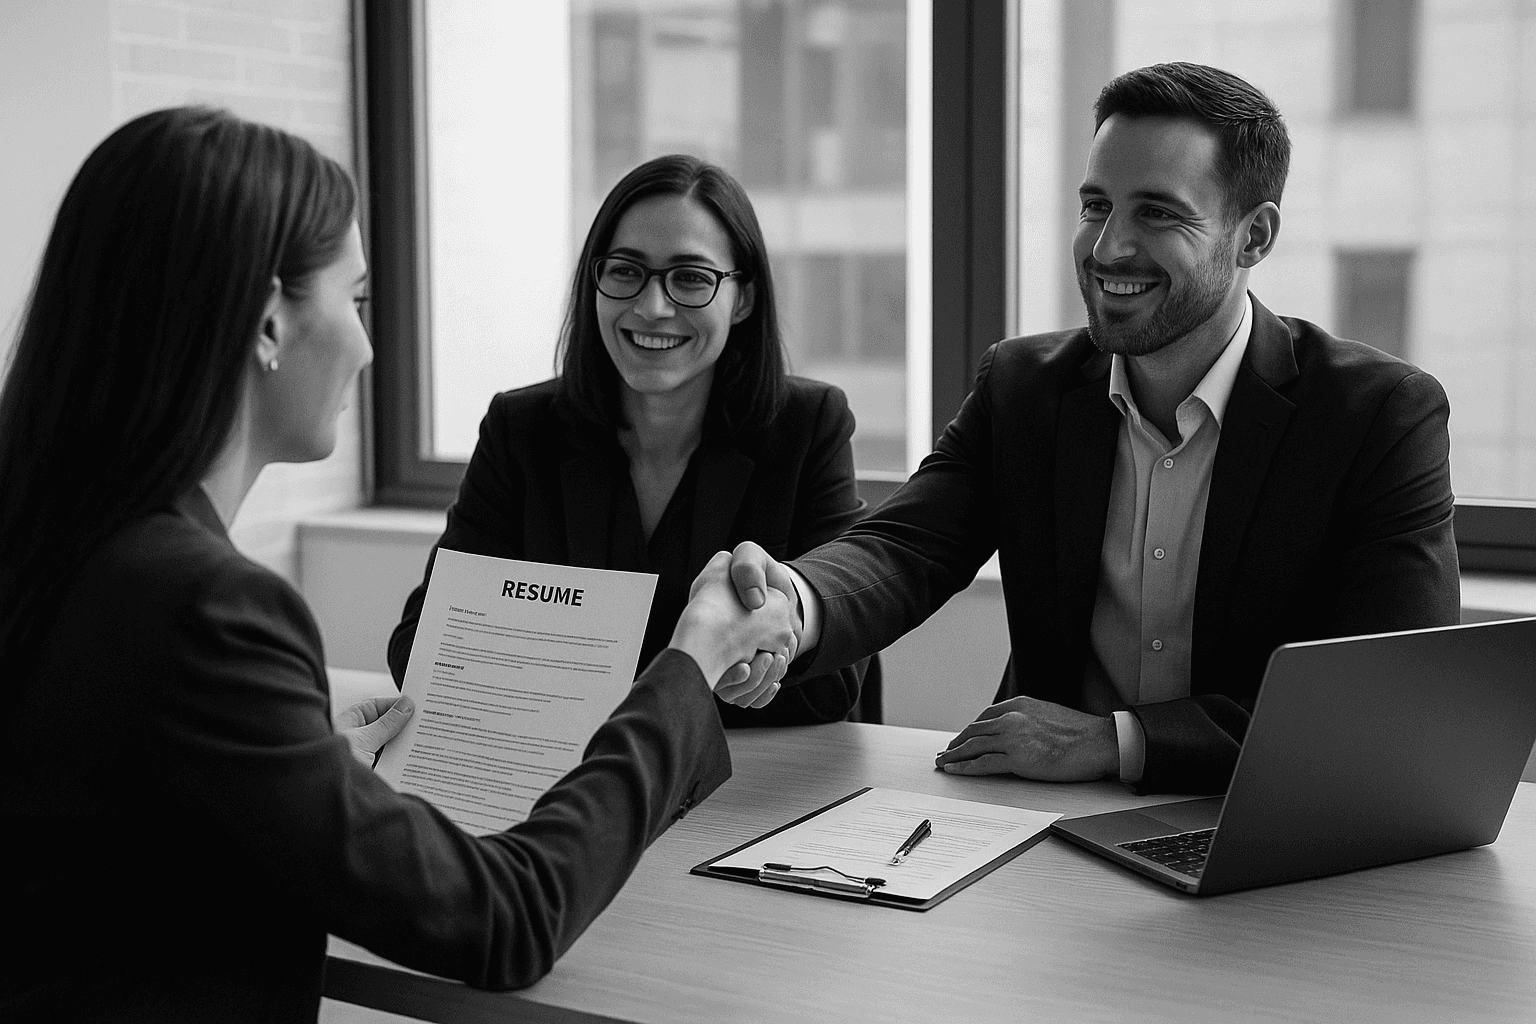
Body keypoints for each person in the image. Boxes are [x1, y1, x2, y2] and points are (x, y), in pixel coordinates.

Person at [0, 107, 797, 1023]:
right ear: (267, 323)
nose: (370, 347)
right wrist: (687, 669)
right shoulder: (210, 610)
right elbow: (508, 918)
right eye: (358, 300)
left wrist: (294, 763)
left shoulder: (57, 549)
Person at [727, 62, 1460, 795]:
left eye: (1158, 213)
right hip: (1043, 819)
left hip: (1264, 819)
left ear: (1254, 236)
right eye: (1095, 205)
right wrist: (793, 601)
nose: (1108, 247)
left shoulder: (1378, 416)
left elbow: (1391, 708)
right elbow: (905, 549)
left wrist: (1117, 742)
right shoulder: (1023, 388)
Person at [387, 153, 874, 725]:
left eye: (691, 278)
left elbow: (834, 681)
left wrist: (563, 675)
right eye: (625, 271)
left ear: (742, 298)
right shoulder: (521, 429)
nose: (651, 306)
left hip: (753, 785)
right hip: (573, 784)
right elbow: (423, 645)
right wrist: (699, 667)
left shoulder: (807, 425)